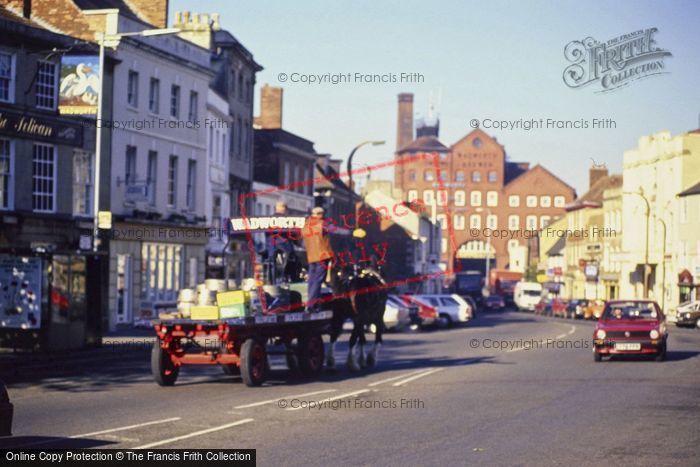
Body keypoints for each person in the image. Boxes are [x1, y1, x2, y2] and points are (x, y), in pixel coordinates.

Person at [302, 206, 334, 312]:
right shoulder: (322, 224)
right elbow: (329, 239)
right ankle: (311, 305)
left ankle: (313, 304)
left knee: (311, 281)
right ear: (320, 214)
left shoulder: (306, 225)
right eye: (322, 214)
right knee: (318, 281)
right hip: (322, 256)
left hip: (311, 256)